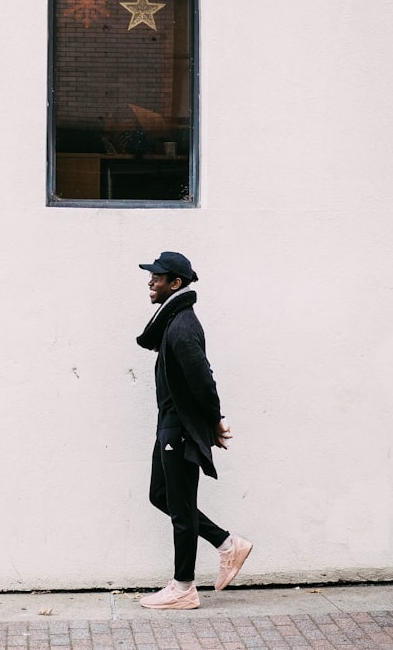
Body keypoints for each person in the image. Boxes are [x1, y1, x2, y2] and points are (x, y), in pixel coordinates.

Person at [135, 251, 253, 610]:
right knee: (161, 495)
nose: (151, 281)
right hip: (170, 426)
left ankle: (183, 586)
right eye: (152, 275)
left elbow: (203, 378)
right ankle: (227, 543)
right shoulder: (173, 322)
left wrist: (215, 420)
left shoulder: (183, 324)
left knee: (182, 509)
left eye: (158, 276)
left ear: (176, 283)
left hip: (180, 429)